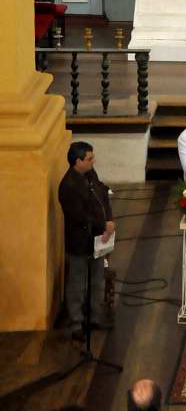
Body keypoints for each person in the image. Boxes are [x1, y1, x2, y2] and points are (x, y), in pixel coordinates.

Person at [58, 142, 115, 341]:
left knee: (97, 280)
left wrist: (109, 219)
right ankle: (76, 323)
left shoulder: (90, 174)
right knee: (77, 284)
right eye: (90, 158)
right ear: (78, 161)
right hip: (80, 242)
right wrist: (103, 225)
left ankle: (94, 317)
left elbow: (102, 196)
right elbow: (79, 216)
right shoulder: (68, 186)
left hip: (98, 238)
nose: (94, 161)